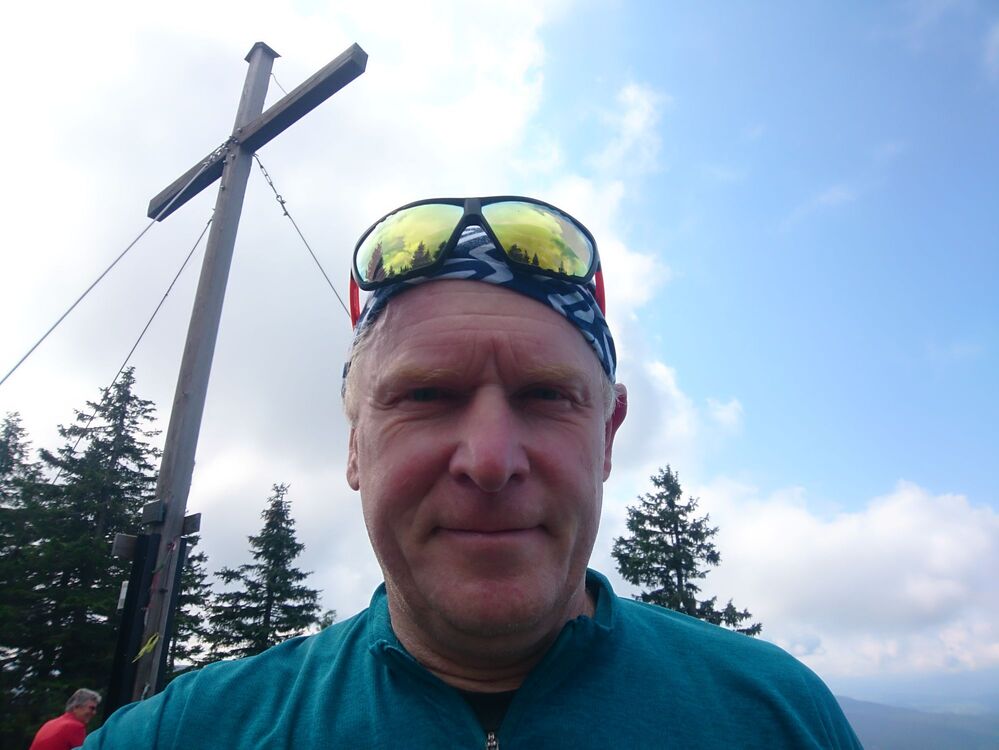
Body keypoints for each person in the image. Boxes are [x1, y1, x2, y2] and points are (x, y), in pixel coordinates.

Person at [85, 196, 862, 748]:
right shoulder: (187, 732)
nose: (490, 462)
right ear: (355, 446)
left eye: (546, 396)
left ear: (607, 436)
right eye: (425, 396)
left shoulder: (779, 716)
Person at [30, 688, 101, 750]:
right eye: (92, 708)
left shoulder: (50, 723)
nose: (94, 713)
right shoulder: (75, 726)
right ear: (76, 707)